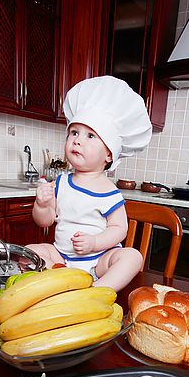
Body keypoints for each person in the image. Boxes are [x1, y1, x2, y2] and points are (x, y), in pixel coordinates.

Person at [26, 76, 152, 291]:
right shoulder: (61, 182)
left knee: (132, 257)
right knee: (30, 251)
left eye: (90, 135)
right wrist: (41, 205)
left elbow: (119, 229)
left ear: (109, 155)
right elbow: (45, 222)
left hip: (99, 261)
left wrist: (95, 243)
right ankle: (57, 284)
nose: (77, 140)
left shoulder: (110, 192)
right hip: (61, 259)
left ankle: (98, 291)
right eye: (74, 132)